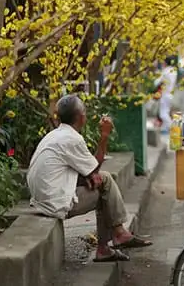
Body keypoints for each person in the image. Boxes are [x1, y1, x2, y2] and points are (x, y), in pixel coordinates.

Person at [27, 94, 152, 262]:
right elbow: (94, 169)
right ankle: (115, 238)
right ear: (80, 117)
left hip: (44, 199)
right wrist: (104, 136)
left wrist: (86, 178)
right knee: (105, 185)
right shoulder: (72, 138)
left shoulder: (55, 135)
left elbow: (79, 172)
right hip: (55, 203)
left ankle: (110, 243)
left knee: (102, 182)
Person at [155, 55, 178, 133]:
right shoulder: (174, 71)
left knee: (163, 114)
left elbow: (156, 82)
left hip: (165, 95)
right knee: (166, 112)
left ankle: (171, 127)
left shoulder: (166, 71)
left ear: (165, 62)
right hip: (171, 94)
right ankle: (165, 129)